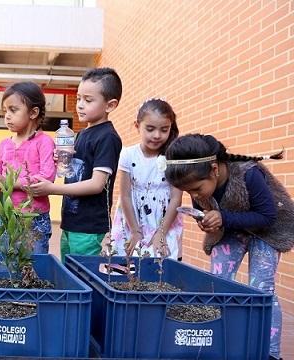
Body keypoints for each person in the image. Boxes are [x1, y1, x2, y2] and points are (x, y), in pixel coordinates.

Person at [164, 134, 293, 360]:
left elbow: (267, 216)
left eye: (196, 189)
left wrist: (223, 218)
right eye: (188, 192)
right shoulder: (198, 183)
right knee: (218, 283)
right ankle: (220, 343)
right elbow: (209, 211)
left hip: (267, 232)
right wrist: (206, 222)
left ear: (214, 169)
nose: (194, 195)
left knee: (262, 290)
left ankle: (271, 353)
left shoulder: (248, 173)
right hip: (231, 230)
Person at [29, 67, 123, 258]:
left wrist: (52, 189)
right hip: (71, 221)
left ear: (110, 105)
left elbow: (97, 184)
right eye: (79, 98)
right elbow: (76, 171)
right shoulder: (81, 135)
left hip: (89, 226)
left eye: (88, 100)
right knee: (69, 272)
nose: (80, 105)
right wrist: (63, 162)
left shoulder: (107, 137)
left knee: (83, 277)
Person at [104, 98, 183, 260]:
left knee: (160, 266)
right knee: (126, 265)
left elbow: (176, 198)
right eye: (150, 129)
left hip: (163, 222)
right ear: (137, 126)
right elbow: (125, 195)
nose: (157, 135)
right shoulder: (127, 155)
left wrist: (161, 233)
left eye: (164, 130)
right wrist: (135, 231)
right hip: (132, 220)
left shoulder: (173, 157)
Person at [0, 82, 55, 254]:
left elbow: (46, 178)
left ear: (33, 112)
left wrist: (10, 182)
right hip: (7, 216)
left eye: (13, 110)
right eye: (5, 111)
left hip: (35, 218)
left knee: (34, 268)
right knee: (7, 265)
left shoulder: (45, 142)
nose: (7, 116)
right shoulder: (4, 144)